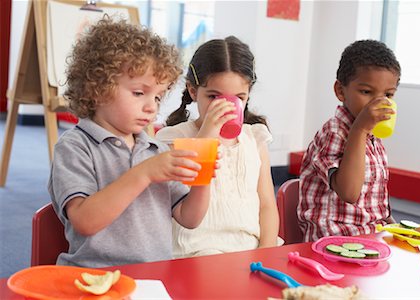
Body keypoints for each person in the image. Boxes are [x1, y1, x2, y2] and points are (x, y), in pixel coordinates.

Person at [48, 18, 214, 268]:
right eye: (139, 93)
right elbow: (84, 220)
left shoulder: (155, 150)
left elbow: (189, 218)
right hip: (93, 275)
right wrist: (145, 173)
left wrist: (203, 178)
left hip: (153, 277)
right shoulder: (75, 147)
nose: (151, 107)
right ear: (97, 88)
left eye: (158, 97)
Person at [156, 36, 282, 258]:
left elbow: (267, 206)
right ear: (193, 91)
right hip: (195, 252)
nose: (226, 107)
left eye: (239, 97)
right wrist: (207, 137)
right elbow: (184, 208)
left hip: (251, 252)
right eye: (214, 97)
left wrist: (266, 250)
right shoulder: (173, 138)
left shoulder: (255, 138)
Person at [297, 40, 400, 242]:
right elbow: (349, 192)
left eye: (388, 94)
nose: (378, 102)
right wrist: (360, 129)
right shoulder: (334, 133)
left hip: (370, 236)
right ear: (340, 91)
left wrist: (396, 229)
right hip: (333, 240)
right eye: (366, 92)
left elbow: (375, 203)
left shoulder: (373, 138)